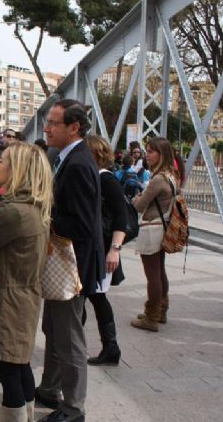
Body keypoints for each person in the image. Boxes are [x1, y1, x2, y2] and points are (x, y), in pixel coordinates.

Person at [0, 142, 52, 421]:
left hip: (7, 299)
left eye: (1, 161)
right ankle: (27, 416)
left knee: (8, 371)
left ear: (17, 170)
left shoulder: (12, 212)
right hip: (23, 295)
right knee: (19, 365)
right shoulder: (32, 206)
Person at [36, 99, 104, 422]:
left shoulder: (77, 164)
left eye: (53, 123)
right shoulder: (68, 158)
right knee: (53, 328)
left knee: (69, 337)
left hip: (70, 269)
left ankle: (74, 407)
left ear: (74, 127)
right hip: (62, 265)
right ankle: (50, 388)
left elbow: (82, 225)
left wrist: (43, 219)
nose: (46, 129)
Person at [84, 135, 127, 366]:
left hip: (102, 250)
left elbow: (121, 217)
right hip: (94, 248)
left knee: (96, 297)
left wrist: (115, 250)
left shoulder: (106, 180)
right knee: (93, 297)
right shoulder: (91, 177)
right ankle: (109, 347)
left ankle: (110, 347)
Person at [131, 137, 178, 332]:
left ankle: (151, 317)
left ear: (161, 154)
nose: (146, 155)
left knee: (153, 276)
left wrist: (136, 199)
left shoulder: (158, 179)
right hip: (163, 227)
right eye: (147, 151)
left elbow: (140, 205)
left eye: (151, 151)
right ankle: (160, 311)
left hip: (152, 228)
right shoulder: (170, 175)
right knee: (160, 272)